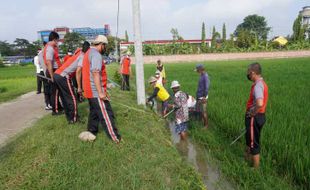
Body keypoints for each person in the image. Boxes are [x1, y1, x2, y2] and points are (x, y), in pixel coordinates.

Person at [78, 35, 121, 143]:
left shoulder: (88, 52)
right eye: (105, 46)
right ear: (102, 45)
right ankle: (115, 138)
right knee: (107, 114)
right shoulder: (96, 55)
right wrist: (101, 92)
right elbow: (96, 73)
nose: (105, 48)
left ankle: (91, 132)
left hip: (89, 90)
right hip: (95, 91)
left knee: (94, 113)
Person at [54, 41, 90, 124]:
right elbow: (78, 71)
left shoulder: (78, 53)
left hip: (57, 75)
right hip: (64, 76)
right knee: (72, 98)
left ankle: (70, 118)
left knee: (64, 98)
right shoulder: (83, 56)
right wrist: (80, 87)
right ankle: (74, 119)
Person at [245, 62, 268, 169]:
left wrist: (253, 112)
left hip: (255, 117)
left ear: (253, 73)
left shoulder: (258, 85)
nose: (247, 75)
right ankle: (247, 158)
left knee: (254, 142)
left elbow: (259, 103)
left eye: (248, 72)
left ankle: (255, 169)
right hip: (257, 116)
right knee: (250, 139)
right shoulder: (260, 83)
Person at [43, 31, 64, 115]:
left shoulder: (51, 48)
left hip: (55, 70)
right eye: (57, 41)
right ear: (54, 39)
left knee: (57, 91)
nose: (57, 43)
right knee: (55, 92)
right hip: (53, 71)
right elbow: (48, 63)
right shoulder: (50, 48)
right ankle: (55, 110)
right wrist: (52, 76)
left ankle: (58, 107)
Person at [38, 42, 52, 110]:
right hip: (45, 73)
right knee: (47, 89)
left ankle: (49, 104)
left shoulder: (41, 53)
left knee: (48, 89)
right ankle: (48, 104)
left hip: (45, 72)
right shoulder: (43, 53)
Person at [195, 64, 210, 128]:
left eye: (197, 70)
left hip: (202, 97)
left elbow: (206, 88)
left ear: (200, 69)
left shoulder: (205, 76)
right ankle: (200, 121)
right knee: (199, 110)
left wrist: (204, 96)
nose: (197, 71)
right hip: (199, 96)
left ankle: (206, 125)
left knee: (204, 111)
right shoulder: (201, 75)